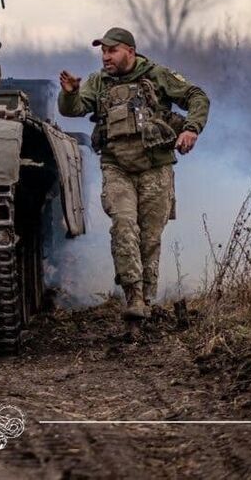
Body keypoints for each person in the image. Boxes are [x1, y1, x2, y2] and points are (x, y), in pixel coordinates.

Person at [58, 27, 209, 322]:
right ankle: (134, 297)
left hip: (155, 167)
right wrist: (71, 94)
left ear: (130, 51)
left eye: (111, 51)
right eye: (102, 52)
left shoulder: (157, 75)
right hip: (117, 167)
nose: (105, 57)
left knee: (149, 237)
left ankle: (148, 299)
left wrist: (191, 129)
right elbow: (73, 109)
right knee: (124, 225)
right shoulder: (98, 82)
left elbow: (197, 96)